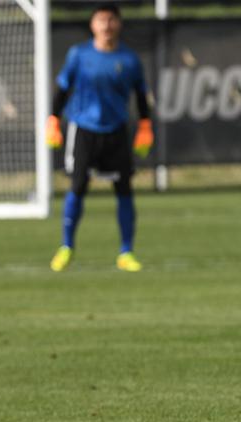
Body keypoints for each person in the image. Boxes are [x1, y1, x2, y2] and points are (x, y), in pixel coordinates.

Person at [47, 3, 152, 272]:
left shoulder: (129, 60)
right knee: (78, 186)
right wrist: (53, 120)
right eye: (101, 20)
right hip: (83, 129)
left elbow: (140, 96)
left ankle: (126, 252)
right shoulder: (79, 55)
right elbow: (62, 89)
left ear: (119, 24)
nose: (107, 25)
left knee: (124, 190)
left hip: (116, 131)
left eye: (111, 20)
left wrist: (145, 126)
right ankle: (66, 246)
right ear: (93, 25)